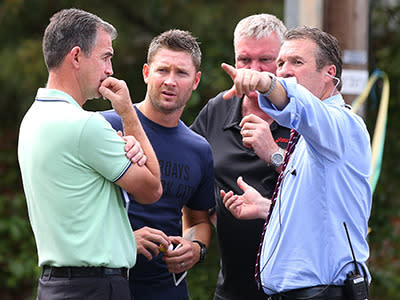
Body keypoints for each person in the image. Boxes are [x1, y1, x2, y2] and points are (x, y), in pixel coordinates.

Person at [17, 8, 162, 300]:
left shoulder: (31, 119)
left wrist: (119, 240)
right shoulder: (85, 126)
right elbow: (152, 188)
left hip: (53, 287)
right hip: (95, 288)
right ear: (76, 57)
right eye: (105, 57)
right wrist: (127, 113)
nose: (110, 69)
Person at [221, 26, 372, 300]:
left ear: (330, 73)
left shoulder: (342, 123)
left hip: (323, 294)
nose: (285, 70)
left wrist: (265, 83)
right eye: (280, 63)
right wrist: (268, 208)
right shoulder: (307, 136)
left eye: (297, 62)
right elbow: (319, 213)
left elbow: (298, 105)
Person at [102, 29, 215, 300]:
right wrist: (125, 239)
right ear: (145, 73)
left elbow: (199, 221)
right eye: (162, 70)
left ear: (196, 80)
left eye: (181, 73)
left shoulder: (199, 149)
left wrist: (196, 247)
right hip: (106, 283)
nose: (170, 81)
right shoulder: (105, 126)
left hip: (168, 289)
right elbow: (73, 208)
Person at [190, 14, 289, 300]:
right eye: (245, 60)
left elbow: (323, 198)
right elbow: (187, 172)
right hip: (232, 289)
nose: (253, 71)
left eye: (265, 61)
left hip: (295, 290)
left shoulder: (302, 115)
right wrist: (210, 215)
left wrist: (274, 153)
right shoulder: (217, 109)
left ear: (282, 62)